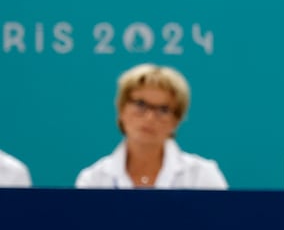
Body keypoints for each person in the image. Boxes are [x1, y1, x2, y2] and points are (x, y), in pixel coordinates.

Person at [76, 63, 228, 189]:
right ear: (121, 109)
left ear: (176, 120)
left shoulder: (202, 176)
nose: (150, 117)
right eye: (140, 104)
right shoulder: (93, 180)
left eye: (163, 110)